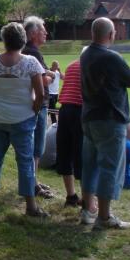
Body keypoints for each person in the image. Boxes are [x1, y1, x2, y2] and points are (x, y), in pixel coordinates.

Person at [0, 22, 47, 217]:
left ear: (4, 40)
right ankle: (30, 206)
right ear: (23, 40)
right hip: (23, 118)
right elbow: (40, 94)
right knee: (25, 162)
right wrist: (34, 111)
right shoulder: (31, 62)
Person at [80, 17, 130, 230]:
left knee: (89, 166)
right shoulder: (112, 57)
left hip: (88, 117)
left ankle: (88, 210)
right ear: (111, 34)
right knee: (109, 167)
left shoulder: (85, 54)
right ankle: (104, 217)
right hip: (109, 119)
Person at [22, 16, 56, 199]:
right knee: (36, 147)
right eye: (43, 30)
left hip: (30, 103)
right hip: (37, 105)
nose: (46, 33)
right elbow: (43, 79)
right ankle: (32, 184)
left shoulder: (27, 51)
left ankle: (33, 181)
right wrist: (52, 76)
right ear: (34, 34)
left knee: (34, 146)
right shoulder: (33, 53)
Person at [55, 59, 88, 209]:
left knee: (65, 152)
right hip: (81, 111)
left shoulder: (71, 65)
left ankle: (71, 196)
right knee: (82, 155)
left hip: (65, 110)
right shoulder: (92, 64)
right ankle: (87, 201)